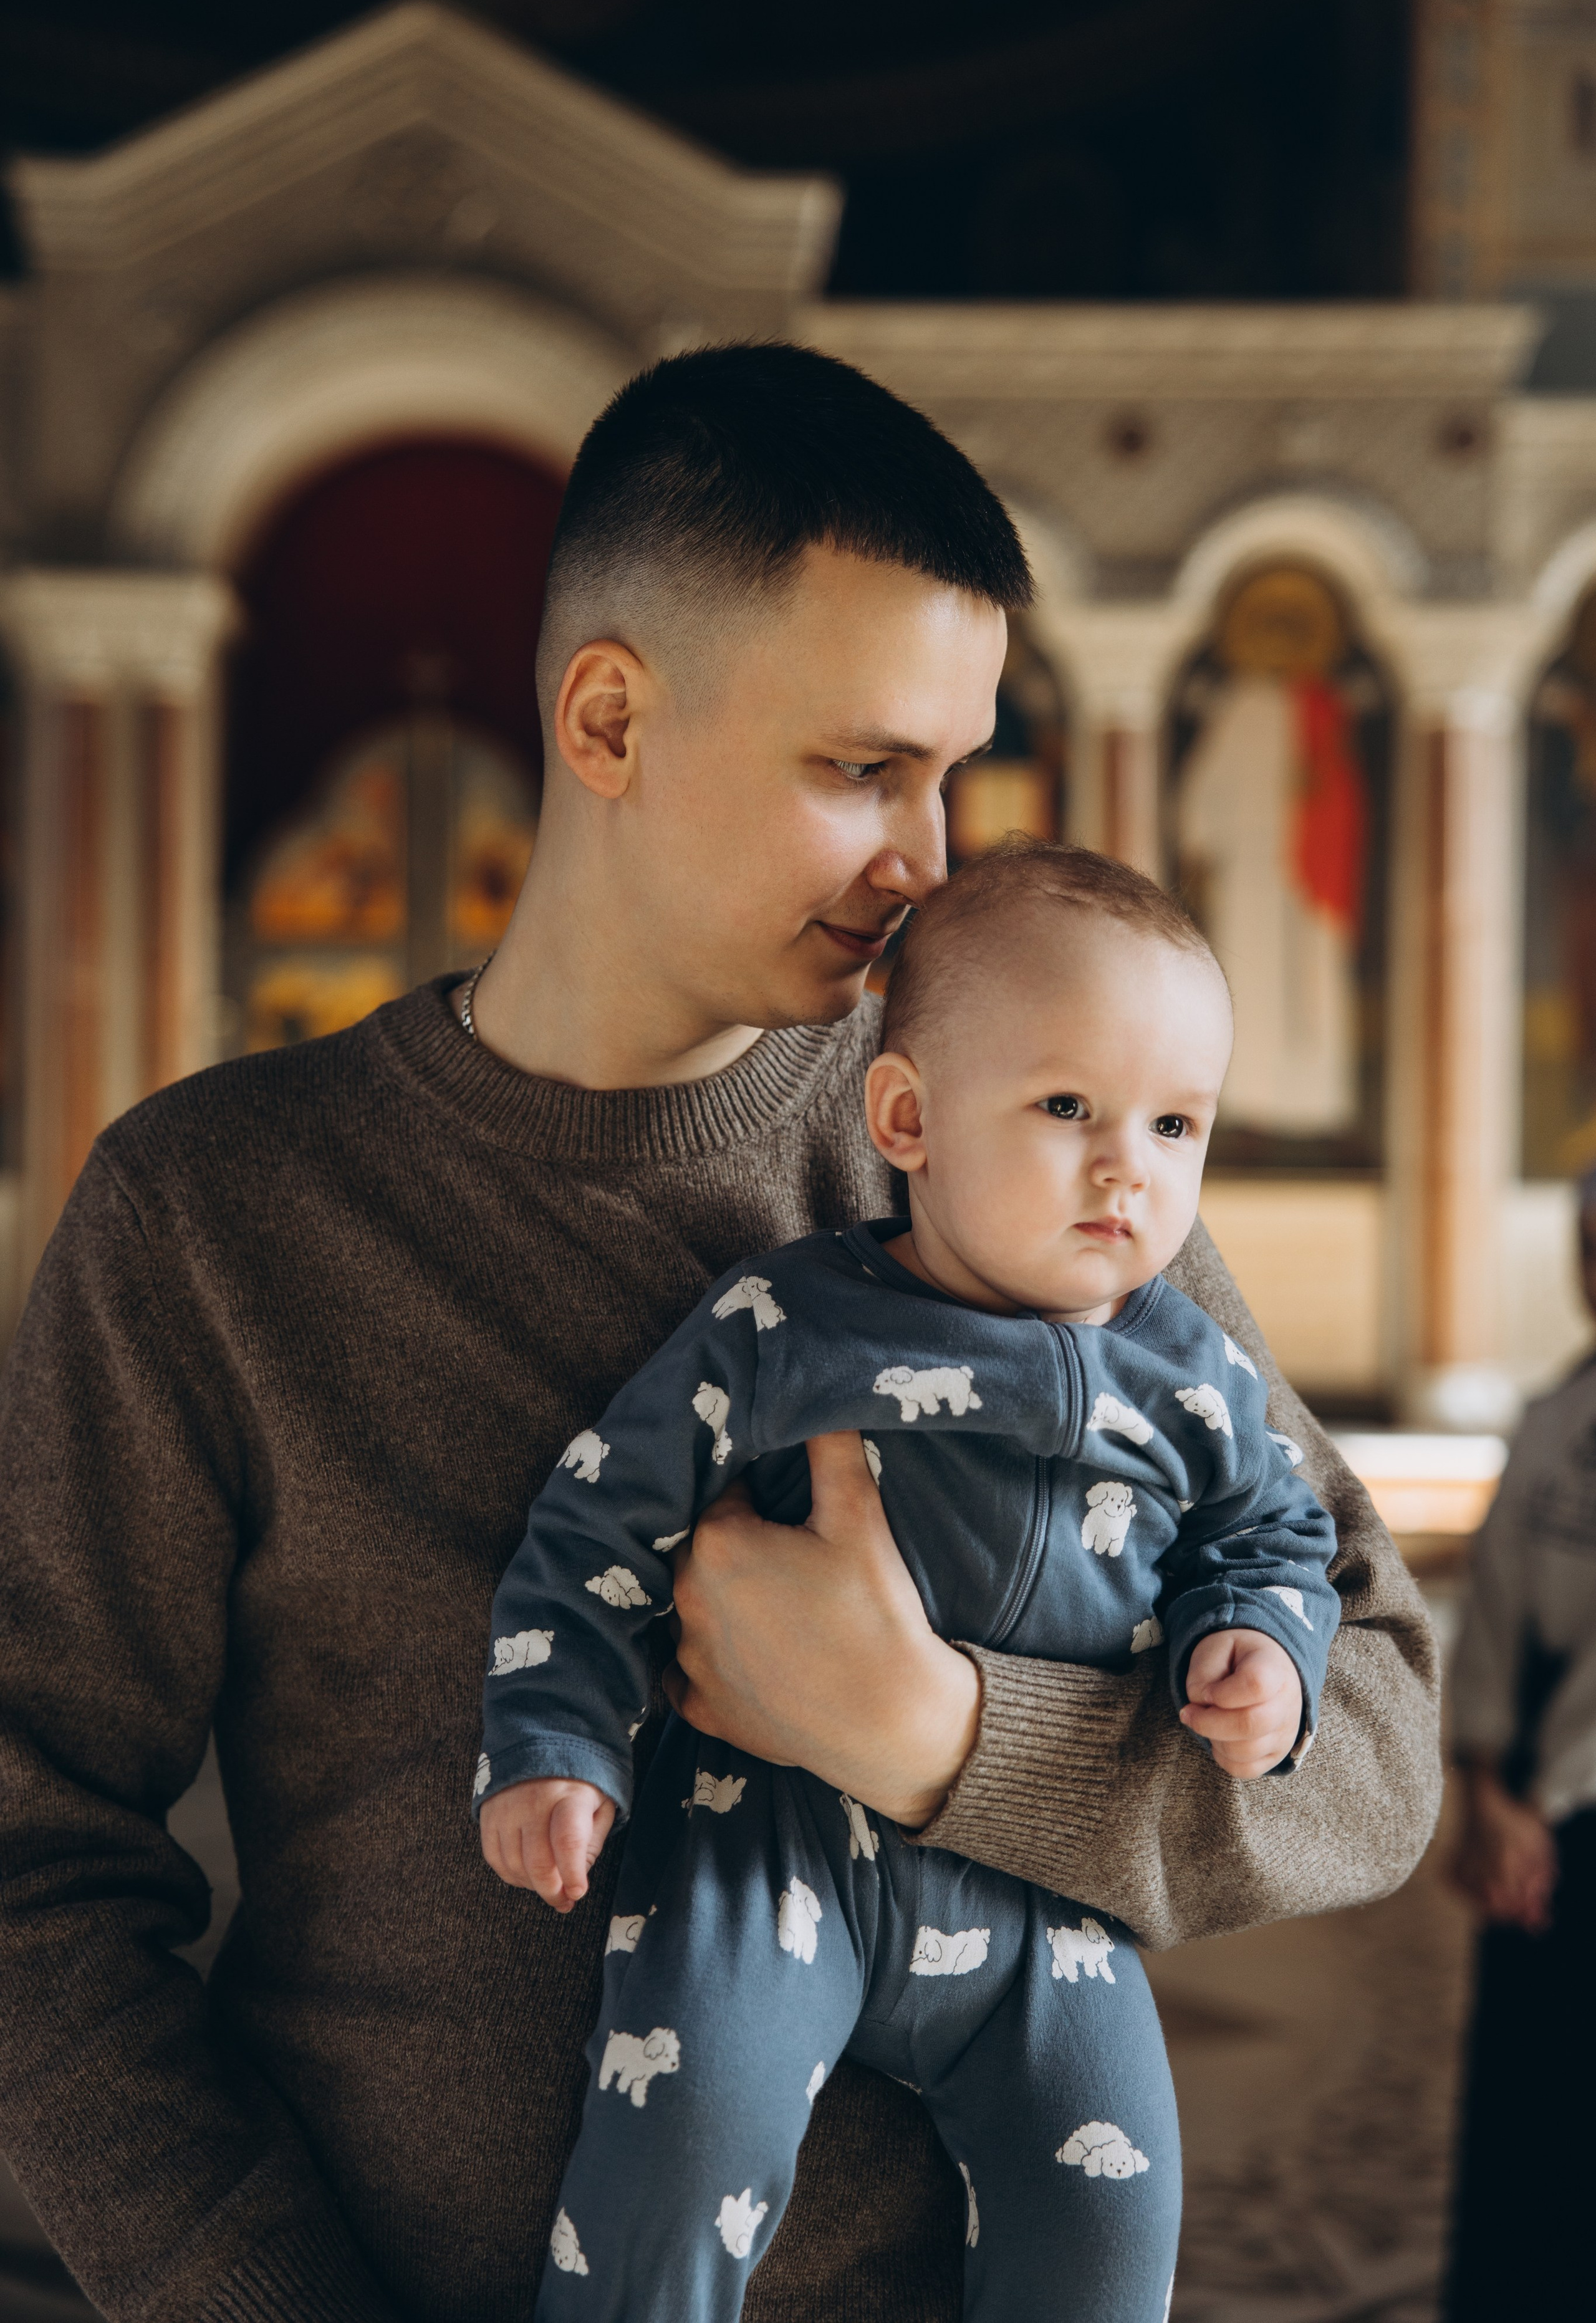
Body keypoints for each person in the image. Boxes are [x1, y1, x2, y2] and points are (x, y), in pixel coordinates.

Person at [0, 343, 1439, 2323]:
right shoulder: (209, 1217)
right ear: (608, 716)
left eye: (954, 774)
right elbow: (28, 1862)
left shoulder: (1024, 1152)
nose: (930, 858)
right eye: (863, 770)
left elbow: (1377, 1726)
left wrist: (948, 1743)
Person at [480, 842, 1340, 2321]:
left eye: (1176, 1122)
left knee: (1115, 2202)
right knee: (676, 2144)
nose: (1126, 1164)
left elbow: (1277, 1539)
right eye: (1066, 1106)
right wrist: (553, 1744)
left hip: (1038, 1897)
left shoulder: (1191, 1370)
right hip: (765, 1849)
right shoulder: (784, 1316)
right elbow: (593, 1528)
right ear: (907, 1117)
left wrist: (1262, 1644)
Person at [1445, 1170, 1596, 2321]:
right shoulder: (1556, 1416)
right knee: (1527, 2112)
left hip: (1571, 1806)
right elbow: (1490, 1607)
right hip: (1530, 1810)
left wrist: (1541, 1799)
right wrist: (1484, 1786)